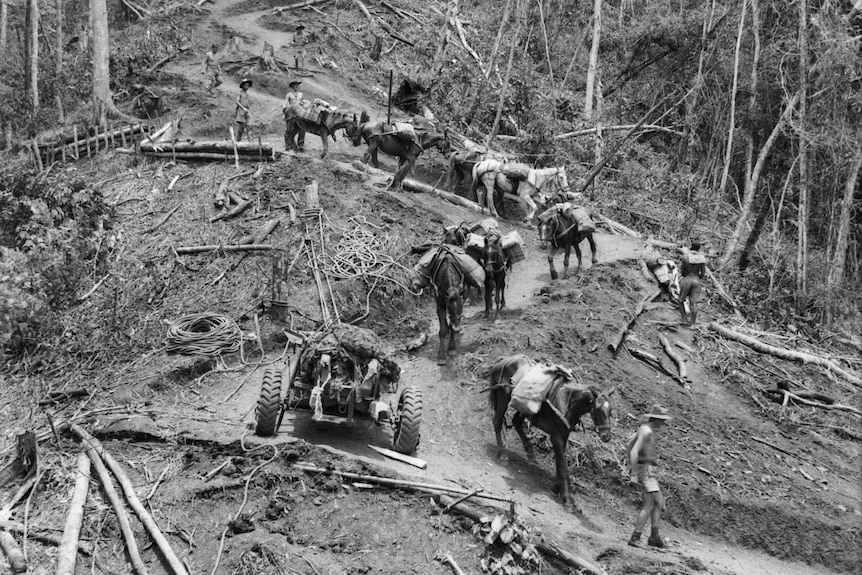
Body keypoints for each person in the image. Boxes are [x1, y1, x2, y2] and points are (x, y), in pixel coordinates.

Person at [627, 404, 672, 548]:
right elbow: (634, 450)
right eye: (663, 420)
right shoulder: (646, 431)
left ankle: (654, 536)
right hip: (645, 470)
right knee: (649, 503)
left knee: (659, 501)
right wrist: (634, 473)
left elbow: (629, 444)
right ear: (657, 419)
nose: (664, 423)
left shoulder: (644, 429)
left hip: (648, 469)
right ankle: (635, 537)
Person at [678, 238, 706, 325]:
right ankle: (693, 323)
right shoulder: (702, 258)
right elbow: (703, 273)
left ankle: (684, 319)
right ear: (699, 248)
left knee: (680, 300)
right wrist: (697, 277)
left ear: (691, 246)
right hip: (696, 280)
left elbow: (682, 271)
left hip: (687, 279)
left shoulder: (685, 257)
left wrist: (686, 275)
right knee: (694, 303)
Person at [283, 80, 306, 150]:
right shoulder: (289, 95)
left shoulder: (301, 95)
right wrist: (284, 111)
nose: (297, 86)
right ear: (292, 86)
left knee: (302, 128)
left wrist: (303, 104)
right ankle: (288, 143)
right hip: (291, 113)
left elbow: (303, 103)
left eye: (298, 85)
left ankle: (301, 144)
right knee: (290, 128)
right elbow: (285, 103)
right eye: (295, 85)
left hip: (299, 113)